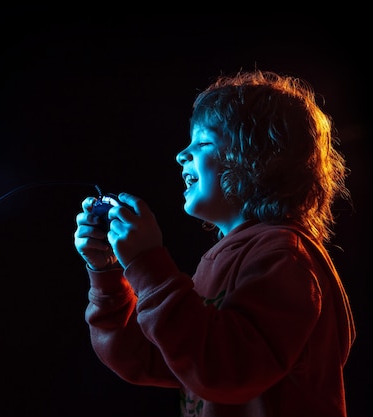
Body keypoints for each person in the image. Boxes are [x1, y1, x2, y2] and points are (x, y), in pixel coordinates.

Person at [73, 69, 356, 417]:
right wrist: (108, 274)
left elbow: (225, 369)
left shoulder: (285, 256)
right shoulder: (225, 258)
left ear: (256, 161)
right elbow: (147, 357)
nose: (181, 155)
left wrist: (147, 264)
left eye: (203, 144)